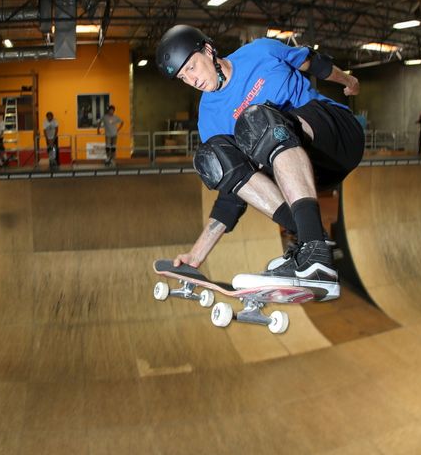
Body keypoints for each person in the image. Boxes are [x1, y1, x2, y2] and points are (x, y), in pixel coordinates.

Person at [156, 25, 364, 300]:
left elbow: (313, 63)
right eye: (183, 77)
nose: (192, 80)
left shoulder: (259, 52)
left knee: (259, 122)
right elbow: (233, 188)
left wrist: (348, 81)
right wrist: (196, 254)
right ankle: (311, 240)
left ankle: (314, 252)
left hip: (337, 135)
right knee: (213, 158)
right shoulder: (209, 118)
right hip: (312, 174)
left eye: (192, 68)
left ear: (207, 50)